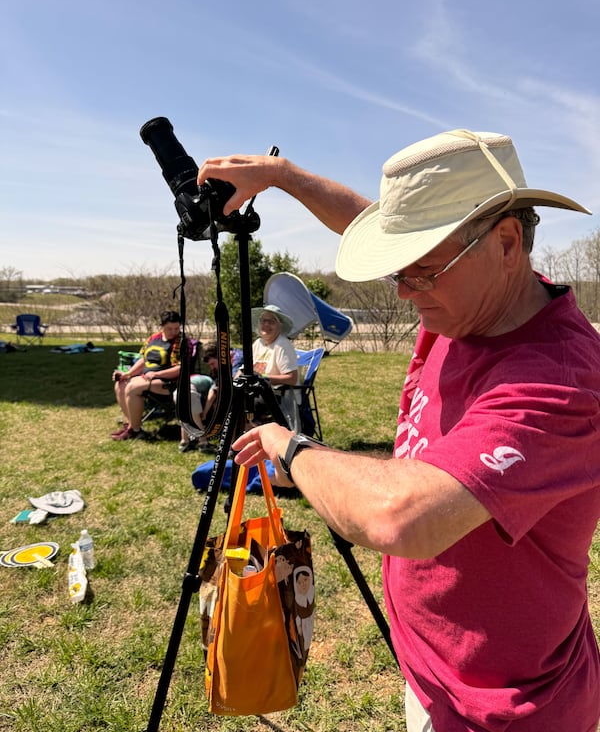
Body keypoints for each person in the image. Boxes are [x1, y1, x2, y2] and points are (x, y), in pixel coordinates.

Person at [196, 129, 600, 732]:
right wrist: (284, 177)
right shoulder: (465, 298)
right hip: (435, 672)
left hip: (505, 708)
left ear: (508, 242)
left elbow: (400, 517)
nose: (408, 293)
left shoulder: (560, 379)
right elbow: (376, 225)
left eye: (420, 274)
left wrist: (290, 445)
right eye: (398, 274)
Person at [111, 310, 182, 441]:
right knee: (120, 384)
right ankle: (130, 425)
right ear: (161, 326)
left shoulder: (181, 342)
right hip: (148, 377)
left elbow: (180, 368)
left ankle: (136, 430)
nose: (173, 332)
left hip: (170, 382)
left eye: (176, 328)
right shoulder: (153, 339)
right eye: (169, 328)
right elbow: (143, 359)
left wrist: (156, 374)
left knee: (133, 388)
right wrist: (127, 374)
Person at [248, 304, 299, 427]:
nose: (266, 324)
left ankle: (249, 436)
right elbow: (245, 369)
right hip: (256, 391)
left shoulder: (282, 345)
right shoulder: (258, 343)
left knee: (244, 403)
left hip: (278, 395)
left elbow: (292, 378)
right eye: (263, 321)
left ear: (280, 327)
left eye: (271, 321)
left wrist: (263, 378)